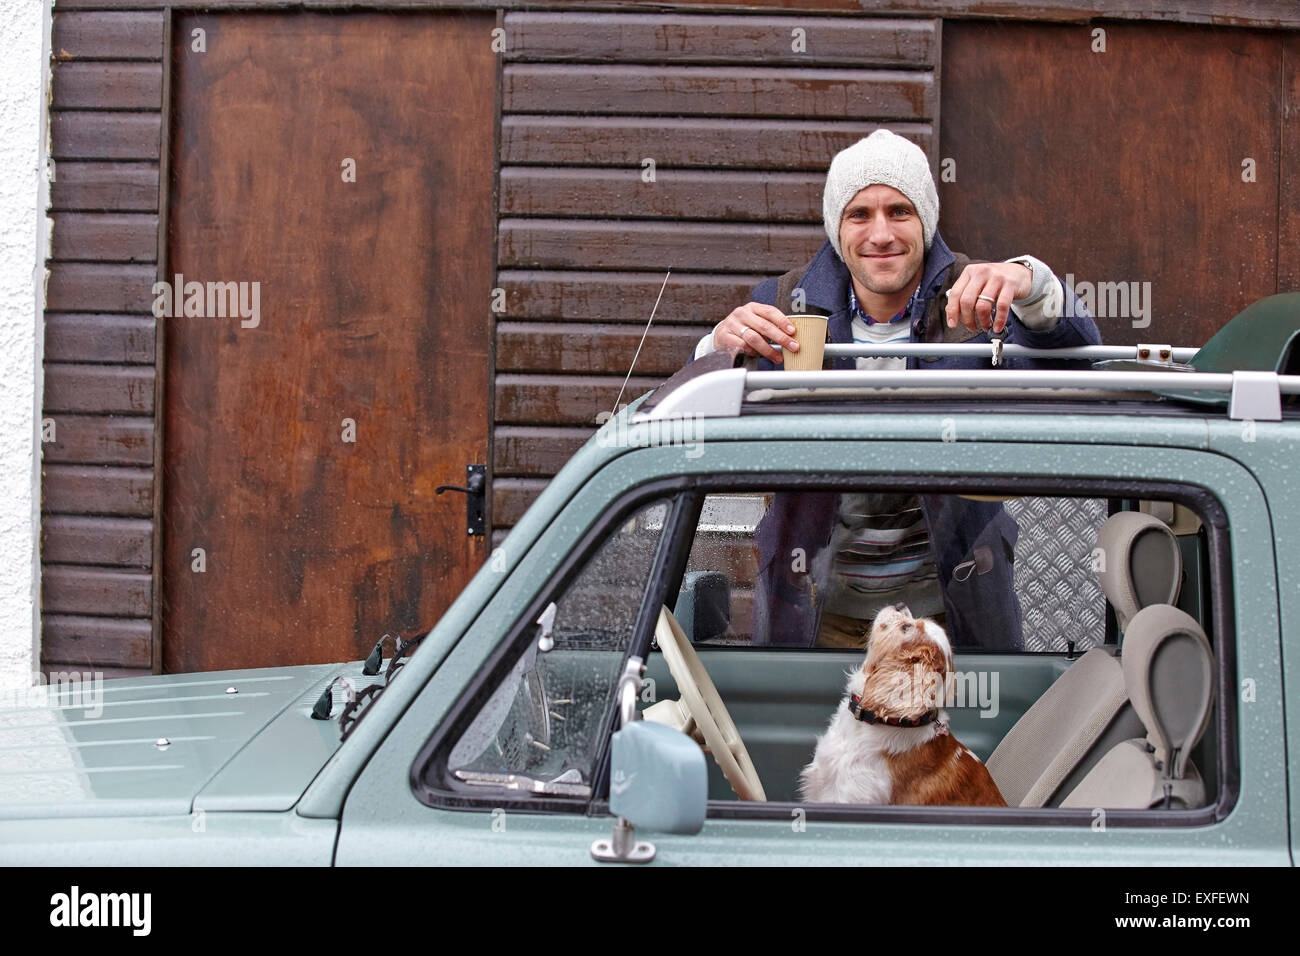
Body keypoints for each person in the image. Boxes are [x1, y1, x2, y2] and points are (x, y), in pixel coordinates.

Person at [692, 129, 1102, 650]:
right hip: (819, 618)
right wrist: (715, 348)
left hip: (951, 619)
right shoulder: (785, 302)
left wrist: (1034, 283)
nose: (880, 234)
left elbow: (1079, 361)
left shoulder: (978, 301)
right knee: (814, 735)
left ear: (926, 222)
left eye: (900, 211)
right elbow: (700, 409)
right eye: (859, 214)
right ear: (836, 228)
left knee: (961, 735)